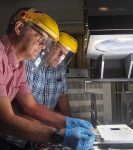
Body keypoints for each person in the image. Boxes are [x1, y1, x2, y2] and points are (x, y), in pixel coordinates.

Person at [0, 7, 95, 150]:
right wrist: (60, 135)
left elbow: (31, 106)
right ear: (19, 27)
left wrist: (68, 122)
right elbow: (5, 120)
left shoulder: (18, 65)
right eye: (41, 38)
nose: (44, 46)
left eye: (47, 42)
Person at [25, 32, 77, 116]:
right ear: (49, 46)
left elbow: (62, 95)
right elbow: (25, 103)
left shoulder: (61, 68)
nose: (61, 57)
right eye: (59, 50)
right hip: (27, 119)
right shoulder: (31, 61)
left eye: (65, 55)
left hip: (48, 120)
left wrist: (69, 120)